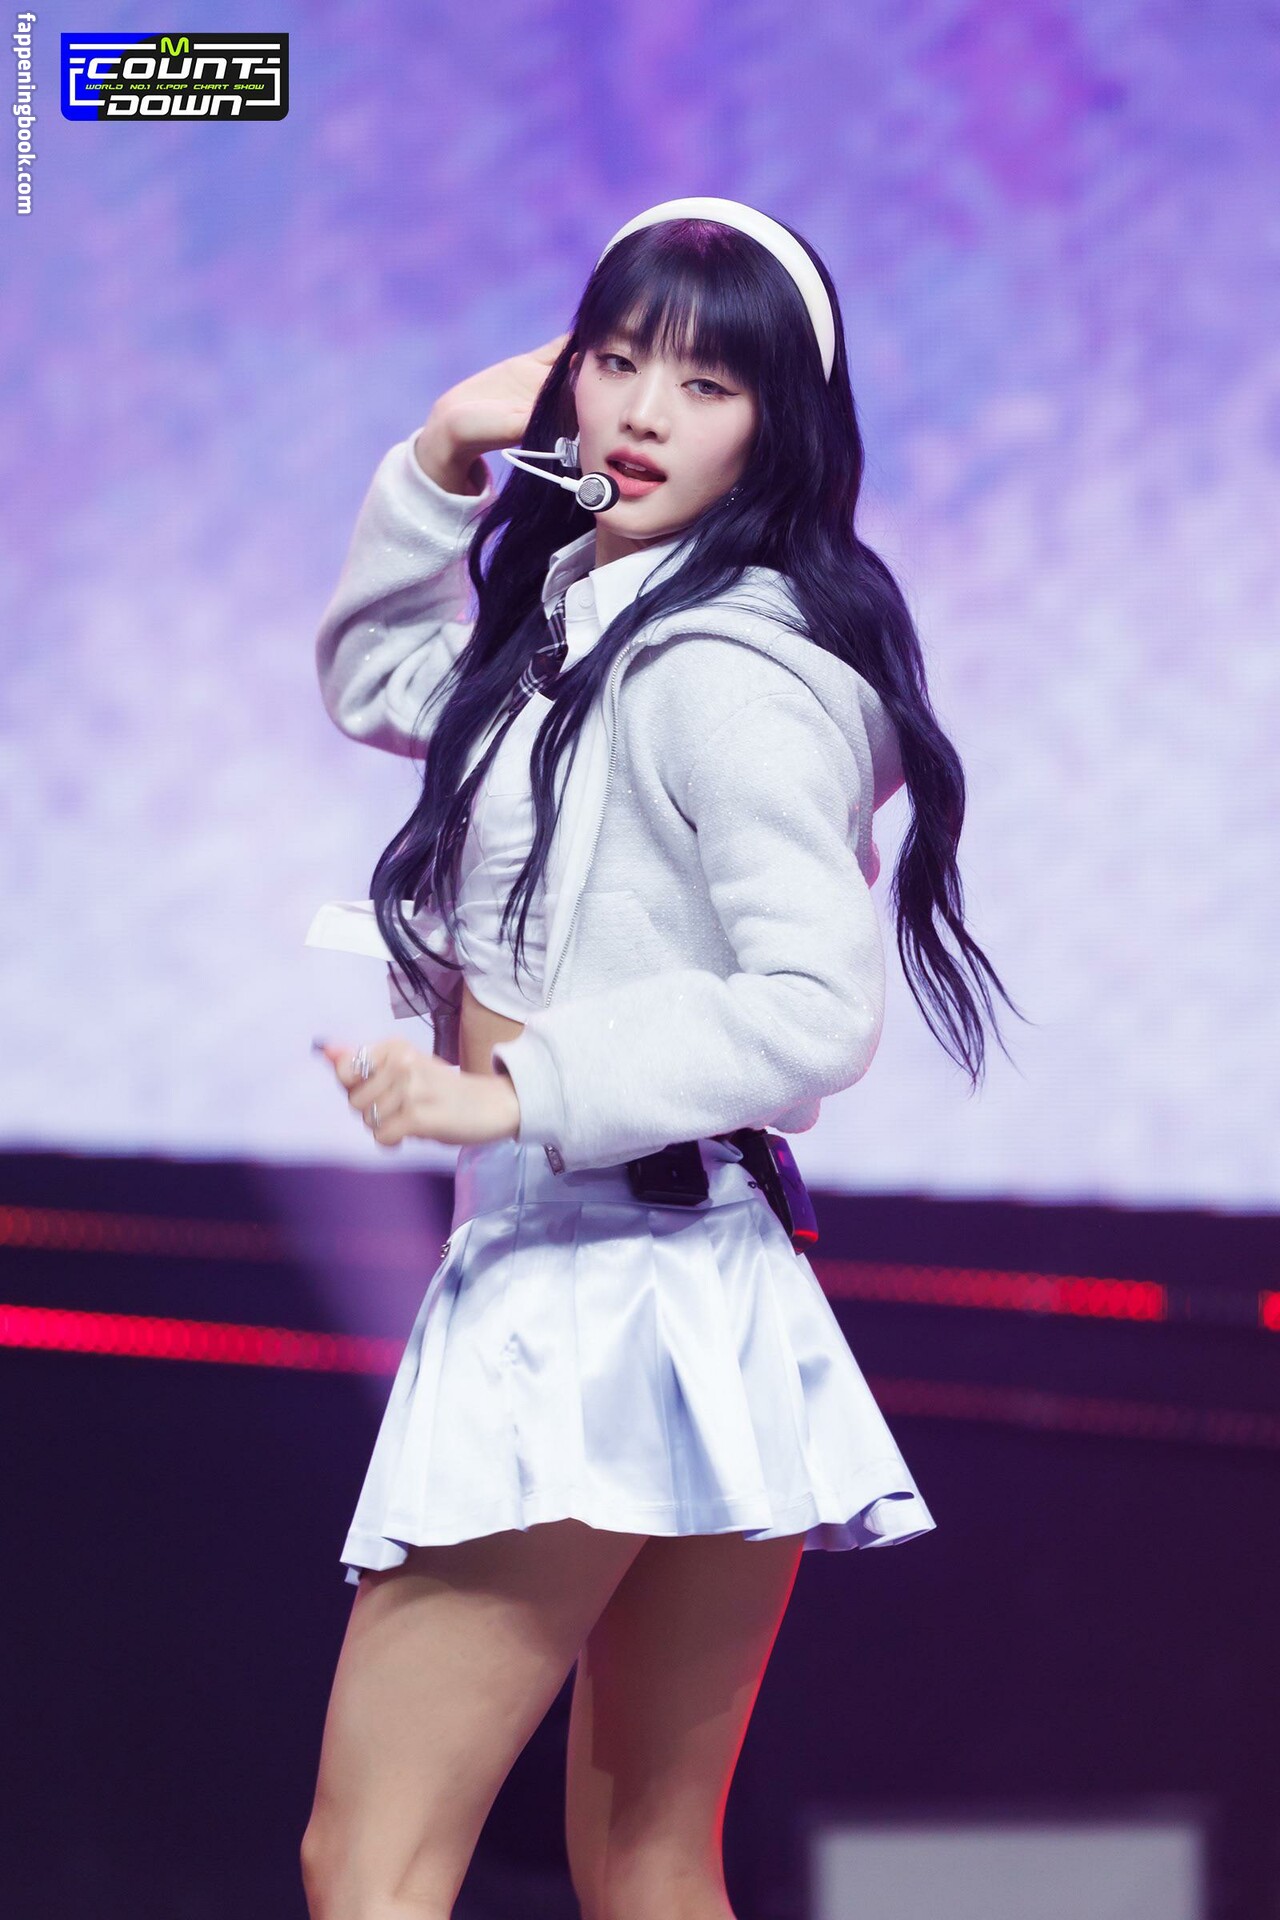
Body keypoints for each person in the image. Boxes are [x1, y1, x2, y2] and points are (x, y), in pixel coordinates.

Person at [300, 196, 1025, 1920]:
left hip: (599, 1292)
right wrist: (442, 455)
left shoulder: (722, 669)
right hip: (693, 1292)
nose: (638, 414)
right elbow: (383, 678)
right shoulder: (589, 625)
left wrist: (513, 1088)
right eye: (616, 362)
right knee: (647, 1868)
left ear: (780, 426)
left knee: (373, 1863)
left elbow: (813, 1005)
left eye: (704, 384)